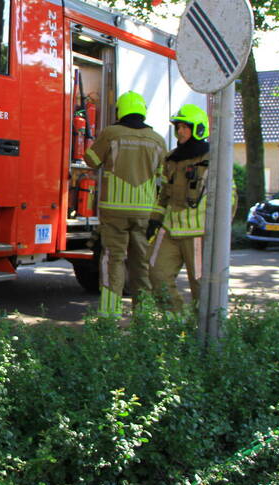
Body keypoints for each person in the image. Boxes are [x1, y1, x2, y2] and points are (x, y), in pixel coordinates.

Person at [84, 91, 166, 317]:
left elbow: (91, 160)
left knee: (113, 260)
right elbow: (164, 175)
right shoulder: (158, 140)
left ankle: (110, 314)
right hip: (144, 212)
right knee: (141, 263)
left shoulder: (111, 134)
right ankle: (144, 316)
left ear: (120, 111)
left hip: (114, 211)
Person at [146, 103, 211, 311]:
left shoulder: (213, 159)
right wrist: (154, 221)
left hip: (197, 233)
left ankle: (202, 326)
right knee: (156, 273)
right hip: (169, 230)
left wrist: (220, 229)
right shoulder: (171, 158)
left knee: (201, 285)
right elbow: (163, 194)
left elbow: (229, 197)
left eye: (185, 127)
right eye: (178, 127)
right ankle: (176, 322)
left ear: (199, 129)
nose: (180, 131)